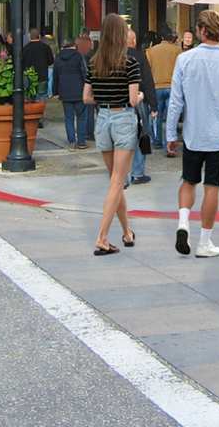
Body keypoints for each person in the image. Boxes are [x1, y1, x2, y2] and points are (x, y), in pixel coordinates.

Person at [167, 10, 219, 258]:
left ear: (200, 31)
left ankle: (183, 222)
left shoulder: (185, 60)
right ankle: (205, 242)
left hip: (192, 134)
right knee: (212, 188)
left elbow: (176, 101)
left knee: (188, 181)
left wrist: (170, 135)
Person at [83, 14, 142, 256]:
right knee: (118, 181)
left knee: (114, 182)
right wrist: (140, 98)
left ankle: (127, 232)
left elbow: (86, 97)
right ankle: (102, 237)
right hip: (123, 119)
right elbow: (132, 99)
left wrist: (105, 98)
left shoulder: (94, 63)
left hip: (103, 119)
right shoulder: (130, 63)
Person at [127, 29, 158, 185]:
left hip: (117, 102)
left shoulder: (112, 55)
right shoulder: (139, 56)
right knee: (141, 136)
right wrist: (153, 105)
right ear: (133, 41)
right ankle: (138, 173)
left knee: (122, 139)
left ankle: (122, 175)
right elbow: (147, 81)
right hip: (138, 100)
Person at [146, 27, 182, 156]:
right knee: (171, 117)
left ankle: (157, 141)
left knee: (157, 115)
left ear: (160, 38)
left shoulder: (151, 51)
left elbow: (147, 69)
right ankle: (170, 144)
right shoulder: (177, 51)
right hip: (172, 87)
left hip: (156, 87)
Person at [52, 38, 89, 151]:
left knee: (69, 117)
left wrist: (56, 92)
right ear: (74, 46)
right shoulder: (79, 56)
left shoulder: (58, 58)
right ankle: (81, 141)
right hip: (79, 90)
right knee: (81, 116)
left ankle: (72, 142)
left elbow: (55, 76)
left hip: (65, 91)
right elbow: (85, 72)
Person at [22, 28, 55, 102]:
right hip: (42, 75)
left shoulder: (25, 48)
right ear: (39, 36)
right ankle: (40, 112)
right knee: (42, 96)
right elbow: (50, 61)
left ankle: (32, 111)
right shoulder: (45, 47)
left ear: (30, 37)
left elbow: (22, 63)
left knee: (30, 96)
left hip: (29, 76)